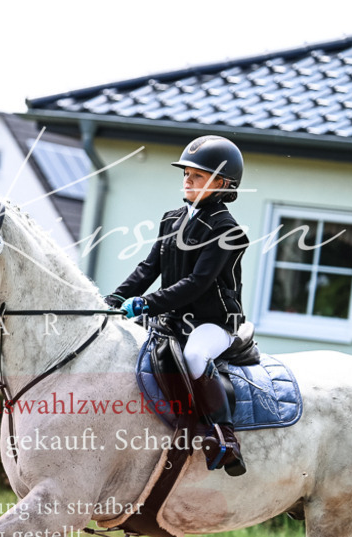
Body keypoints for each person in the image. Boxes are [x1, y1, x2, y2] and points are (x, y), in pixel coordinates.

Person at [104, 135, 249, 476]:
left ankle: (224, 437)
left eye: (196, 175)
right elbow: (148, 267)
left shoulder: (227, 229)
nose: (187, 179)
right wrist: (116, 298)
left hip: (212, 323)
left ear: (222, 184)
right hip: (173, 319)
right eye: (186, 173)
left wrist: (146, 303)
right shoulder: (171, 220)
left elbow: (197, 283)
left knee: (195, 356)